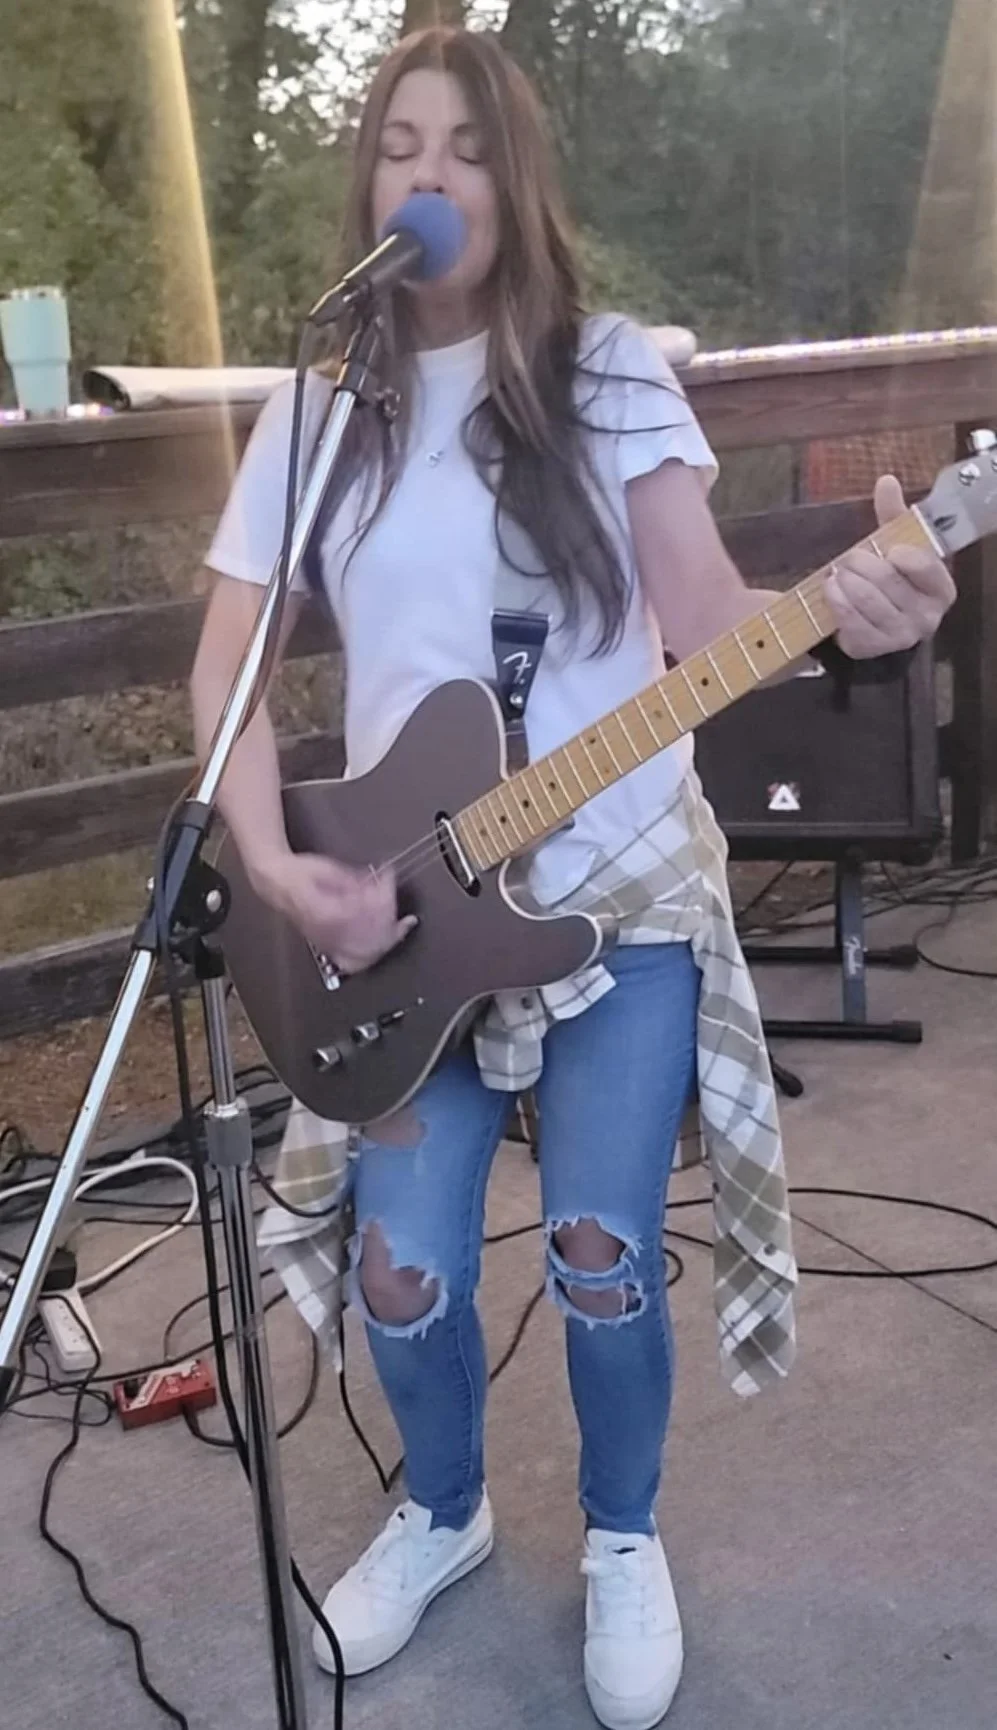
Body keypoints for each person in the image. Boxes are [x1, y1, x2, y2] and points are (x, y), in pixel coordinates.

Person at [191, 26, 956, 1730]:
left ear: (515, 179)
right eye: (401, 144)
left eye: (466, 146)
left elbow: (697, 619)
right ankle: (447, 1510)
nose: (431, 174)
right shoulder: (321, 408)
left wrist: (862, 600)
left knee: (602, 1244)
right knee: (404, 1263)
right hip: (392, 909)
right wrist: (271, 863)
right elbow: (223, 674)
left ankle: (624, 1536)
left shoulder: (610, 369)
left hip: (616, 887)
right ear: (368, 180)